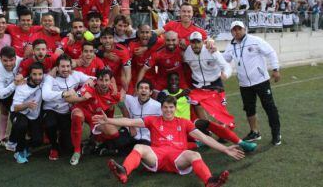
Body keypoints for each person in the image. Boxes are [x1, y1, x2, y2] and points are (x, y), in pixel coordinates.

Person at [94, 96, 245, 186]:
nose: (168, 110)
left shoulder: (184, 122)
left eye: (171, 107)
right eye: (165, 107)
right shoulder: (153, 120)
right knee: (139, 146)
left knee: (194, 155)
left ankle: (210, 181)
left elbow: (204, 137)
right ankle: (124, 171)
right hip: (156, 156)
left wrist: (225, 149)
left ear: (175, 108)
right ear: (161, 108)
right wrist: (109, 120)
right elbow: (130, 122)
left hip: (177, 157)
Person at [223, 21, 282, 145]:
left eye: (239, 29)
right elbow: (224, 60)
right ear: (231, 32)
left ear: (245, 29)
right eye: (234, 30)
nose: (237, 31)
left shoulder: (255, 40)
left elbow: (271, 52)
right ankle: (254, 132)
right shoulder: (231, 46)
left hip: (261, 81)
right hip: (244, 84)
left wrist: (275, 69)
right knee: (249, 109)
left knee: (269, 107)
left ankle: (276, 134)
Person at [42, 54, 94, 161]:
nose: (65, 69)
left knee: (68, 147)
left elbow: (94, 79)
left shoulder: (76, 74)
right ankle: (54, 146)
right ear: (57, 67)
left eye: (68, 66)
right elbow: (45, 95)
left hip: (66, 112)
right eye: (63, 67)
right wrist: (63, 94)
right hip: (52, 110)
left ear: (71, 67)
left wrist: (89, 81)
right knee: (50, 124)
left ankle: (61, 136)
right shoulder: (50, 78)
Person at [65, 68, 121, 165]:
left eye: (106, 80)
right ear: (96, 80)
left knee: (114, 133)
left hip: (95, 116)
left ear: (110, 81)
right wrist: (82, 97)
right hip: (82, 110)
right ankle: (77, 151)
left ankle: (94, 141)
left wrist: (108, 121)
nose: (103, 83)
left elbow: (112, 106)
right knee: (77, 115)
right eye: (101, 80)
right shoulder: (89, 87)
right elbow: (69, 99)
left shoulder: (113, 93)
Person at [183, 31, 234, 128]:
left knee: (220, 111)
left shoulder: (211, 50)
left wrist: (226, 74)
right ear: (190, 43)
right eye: (193, 42)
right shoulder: (187, 53)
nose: (196, 45)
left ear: (203, 42)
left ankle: (222, 132)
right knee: (198, 106)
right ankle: (208, 129)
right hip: (198, 84)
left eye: (198, 42)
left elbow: (227, 67)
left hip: (215, 83)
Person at [7, 62, 52, 163]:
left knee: (38, 141)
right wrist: (27, 104)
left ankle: (25, 147)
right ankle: (18, 151)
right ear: (30, 75)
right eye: (34, 74)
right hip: (19, 113)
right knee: (21, 125)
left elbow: (54, 72)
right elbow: (15, 107)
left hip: (34, 115)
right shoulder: (22, 86)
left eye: (40, 74)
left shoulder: (44, 81)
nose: (37, 77)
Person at [137, 31, 188, 95]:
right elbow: (143, 69)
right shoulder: (158, 54)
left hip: (180, 80)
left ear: (178, 40)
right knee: (155, 96)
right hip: (162, 80)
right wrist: (137, 87)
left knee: (189, 96)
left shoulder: (183, 50)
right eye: (168, 40)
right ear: (164, 40)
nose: (171, 43)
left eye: (173, 40)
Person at [128, 24, 164, 94]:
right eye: (142, 32)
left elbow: (170, 42)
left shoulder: (159, 42)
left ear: (151, 34)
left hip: (152, 78)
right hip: (135, 78)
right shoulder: (132, 45)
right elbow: (127, 63)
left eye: (147, 32)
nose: (144, 35)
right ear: (138, 34)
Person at [98, 27, 131, 93]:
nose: (107, 41)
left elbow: (128, 72)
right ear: (101, 40)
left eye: (110, 38)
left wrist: (124, 89)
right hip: (104, 83)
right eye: (105, 38)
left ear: (113, 39)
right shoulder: (98, 50)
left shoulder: (123, 51)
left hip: (120, 83)